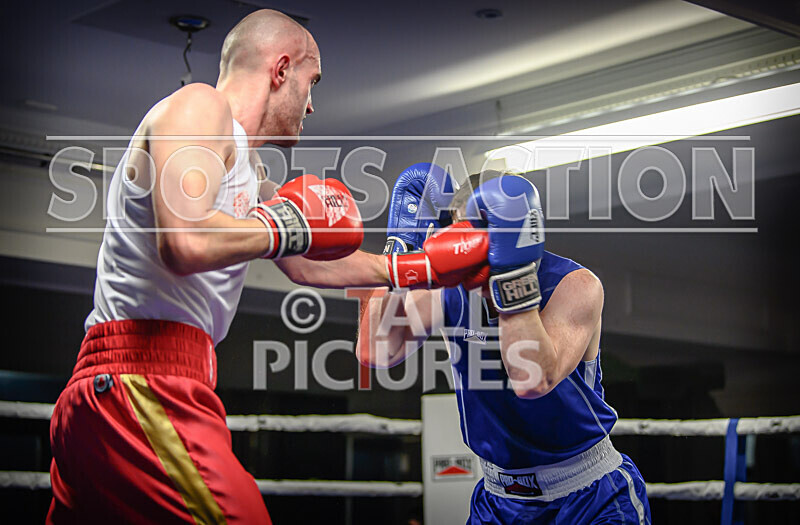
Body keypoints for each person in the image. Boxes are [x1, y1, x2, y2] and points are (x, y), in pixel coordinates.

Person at [46, 9, 393, 524]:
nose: (312, 102)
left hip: (134, 385)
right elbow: (184, 241)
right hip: (141, 382)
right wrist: (285, 226)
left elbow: (309, 265)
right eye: (310, 81)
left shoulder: (246, 169)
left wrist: (423, 267)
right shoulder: (198, 107)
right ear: (281, 70)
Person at [356, 170, 651, 524]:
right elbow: (375, 351)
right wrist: (399, 256)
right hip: (498, 500)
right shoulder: (449, 289)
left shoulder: (575, 286)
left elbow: (533, 379)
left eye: (488, 234)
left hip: (588, 496)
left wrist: (510, 271)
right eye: (466, 236)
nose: (474, 250)